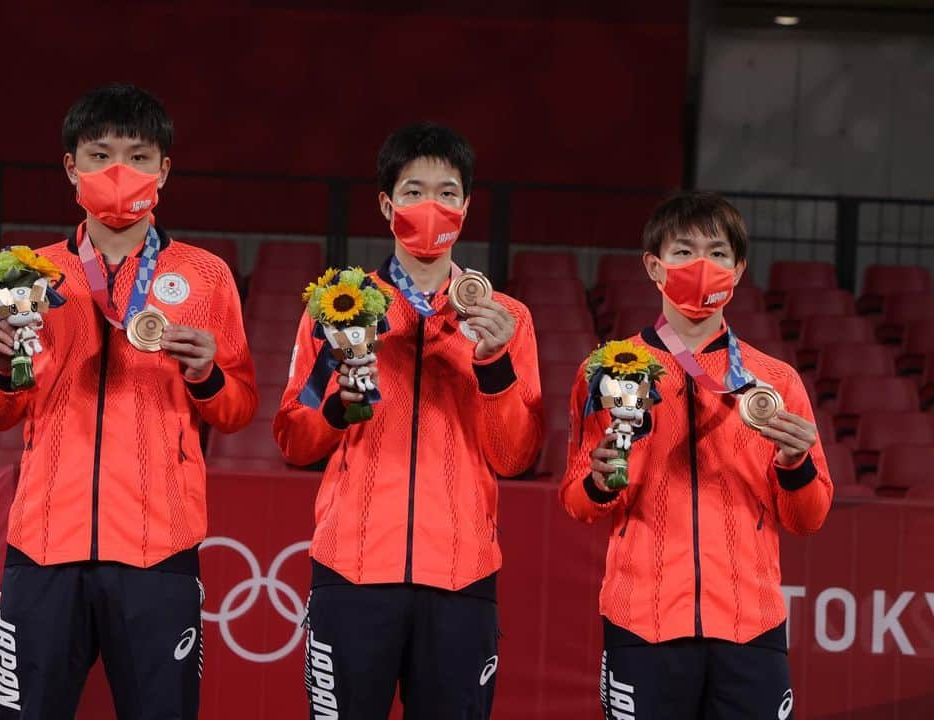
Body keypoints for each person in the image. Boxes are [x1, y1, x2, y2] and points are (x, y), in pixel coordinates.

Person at [0, 83, 258, 719]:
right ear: (71, 167)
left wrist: (207, 375)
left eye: (139, 156)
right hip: (44, 547)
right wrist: (1, 363)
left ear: (165, 170)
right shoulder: (26, 272)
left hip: (159, 553)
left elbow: (237, 410)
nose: (118, 171)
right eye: (99, 155)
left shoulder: (206, 276)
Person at [273, 122, 544, 719]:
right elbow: (295, 438)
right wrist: (340, 405)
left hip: (461, 574)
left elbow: (515, 455)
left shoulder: (507, 319)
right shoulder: (337, 307)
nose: (431, 206)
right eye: (414, 190)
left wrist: (494, 365)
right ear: (385, 204)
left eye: (447, 193)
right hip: (353, 569)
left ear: (466, 207)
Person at [561, 191, 833, 719]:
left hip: (750, 627)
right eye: (683, 252)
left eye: (717, 253)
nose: (701, 266)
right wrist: (598, 481)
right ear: (654, 267)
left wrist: (795, 464)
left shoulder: (775, 382)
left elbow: (809, 518)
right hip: (643, 622)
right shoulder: (609, 371)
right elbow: (577, 503)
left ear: (739, 269)